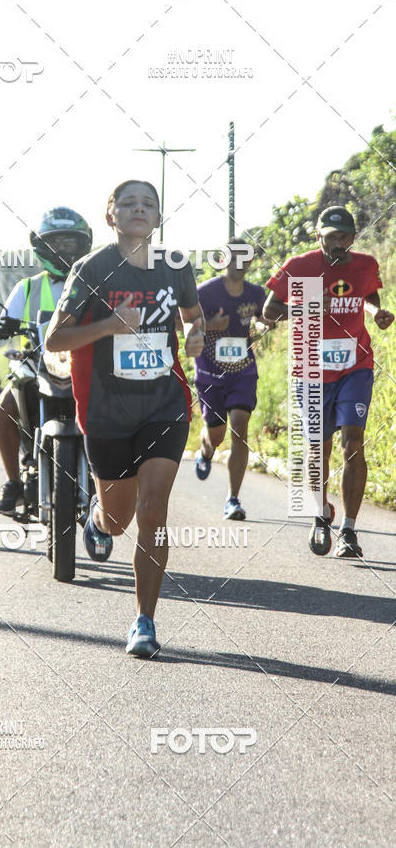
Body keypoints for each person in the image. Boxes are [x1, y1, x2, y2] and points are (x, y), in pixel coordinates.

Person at [45, 180, 204, 658]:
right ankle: (97, 518)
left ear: (158, 217)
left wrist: (195, 336)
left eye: (148, 204)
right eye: (128, 203)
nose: (139, 210)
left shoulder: (176, 266)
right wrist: (112, 326)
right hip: (106, 409)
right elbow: (56, 340)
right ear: (110, 215)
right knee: (118, 520)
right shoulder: (90, 268)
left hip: (164, 404)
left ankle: (144, 622)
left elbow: (193, 318)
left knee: (153, 510)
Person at [263, 205, 393, 558]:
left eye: (344, 236)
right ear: (317, 236)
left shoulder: (365, 264)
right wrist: (305, 309)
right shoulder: (299, 267)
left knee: (353, 442)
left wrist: (374, 313)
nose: (338, 243)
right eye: (331, 236)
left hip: (355, 365)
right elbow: (269, 312)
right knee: (318, 448)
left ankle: (349, 530)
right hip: (311, 369)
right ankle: (321, 515)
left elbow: (367, 294)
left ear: (353, 237)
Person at [0, 208, 93, 513]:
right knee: (5, 405)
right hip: (36, 364)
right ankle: (14, 481)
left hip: (89, 363)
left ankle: (117, 476)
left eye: (70, 242)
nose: (64, 250)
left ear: (83, 244)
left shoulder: (99, 283)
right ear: (42, 247)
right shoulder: (27, 288)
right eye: (56, 243)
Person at [193, 238, 269, 520]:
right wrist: (211, 325)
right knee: (216, 433)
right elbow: (182, 323)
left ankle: (233, 499)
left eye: (245, 257)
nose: (240, 262)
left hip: (243, 371)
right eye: (233, 257)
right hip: (210, 373)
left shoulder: (256, 293)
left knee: (239, 426)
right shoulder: (205, 292)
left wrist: (263, 323)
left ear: (250, 261)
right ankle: (206, 451)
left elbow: (264, 317)